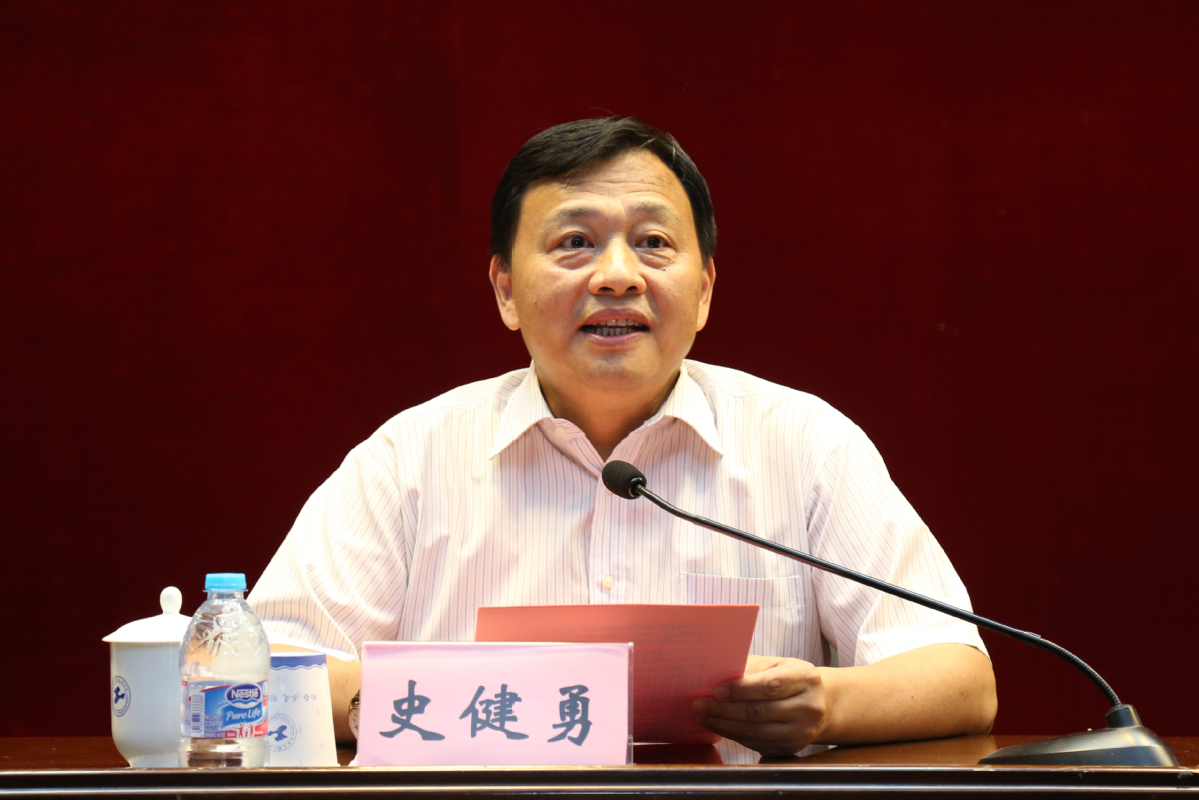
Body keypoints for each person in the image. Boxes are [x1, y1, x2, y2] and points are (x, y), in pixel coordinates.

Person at [249, 116, 997, 760]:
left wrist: (827, 704)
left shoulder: (805, 445)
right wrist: (437, 697)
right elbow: (264, 672)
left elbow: (959, 678)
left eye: (652, 242)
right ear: (505, 289)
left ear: (704, 290)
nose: (617, 276)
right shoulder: (408, 459)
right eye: (575, 241)